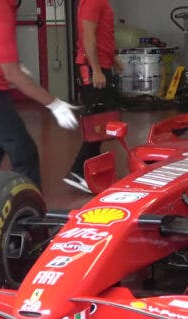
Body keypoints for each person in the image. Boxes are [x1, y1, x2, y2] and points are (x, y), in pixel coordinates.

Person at [0, 0, 79, 188]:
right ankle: (30, 207)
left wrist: (10, 64)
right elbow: (12, 74)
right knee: (23, 151)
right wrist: (54, 104)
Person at [63, 0, 123, 194]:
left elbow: (100, 34)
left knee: (102, 122)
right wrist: (96, 70)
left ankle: (91, 172)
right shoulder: (93, 1)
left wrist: (112, 59)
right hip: (92, 68)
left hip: (101, 64)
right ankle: (78, 171)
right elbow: (88, 36)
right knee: (97, 123)